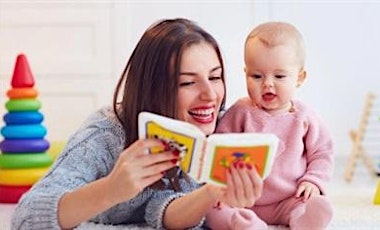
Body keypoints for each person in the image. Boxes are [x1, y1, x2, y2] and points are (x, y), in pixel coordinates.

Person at [11, 18, 263, 229]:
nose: (210, 95)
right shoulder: (107, 134)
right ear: (153, 88)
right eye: (187, 82)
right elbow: (25, 219)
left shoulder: (230, 126)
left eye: (215, 77)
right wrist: (110, 189)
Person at [205, 22, 334, 230]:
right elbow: (218, 149)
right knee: (212, 210)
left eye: (279, 76)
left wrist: (313, 181)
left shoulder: (304, 116)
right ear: (246, 73)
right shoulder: (240, 111)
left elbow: (322, 153)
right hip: (242, 198)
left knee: (305, 204)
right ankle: (243, 223)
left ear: (299, 78)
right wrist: (220, 186)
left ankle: (304, 219)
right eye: (256, 76)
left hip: (288, 198)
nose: (267, 84)